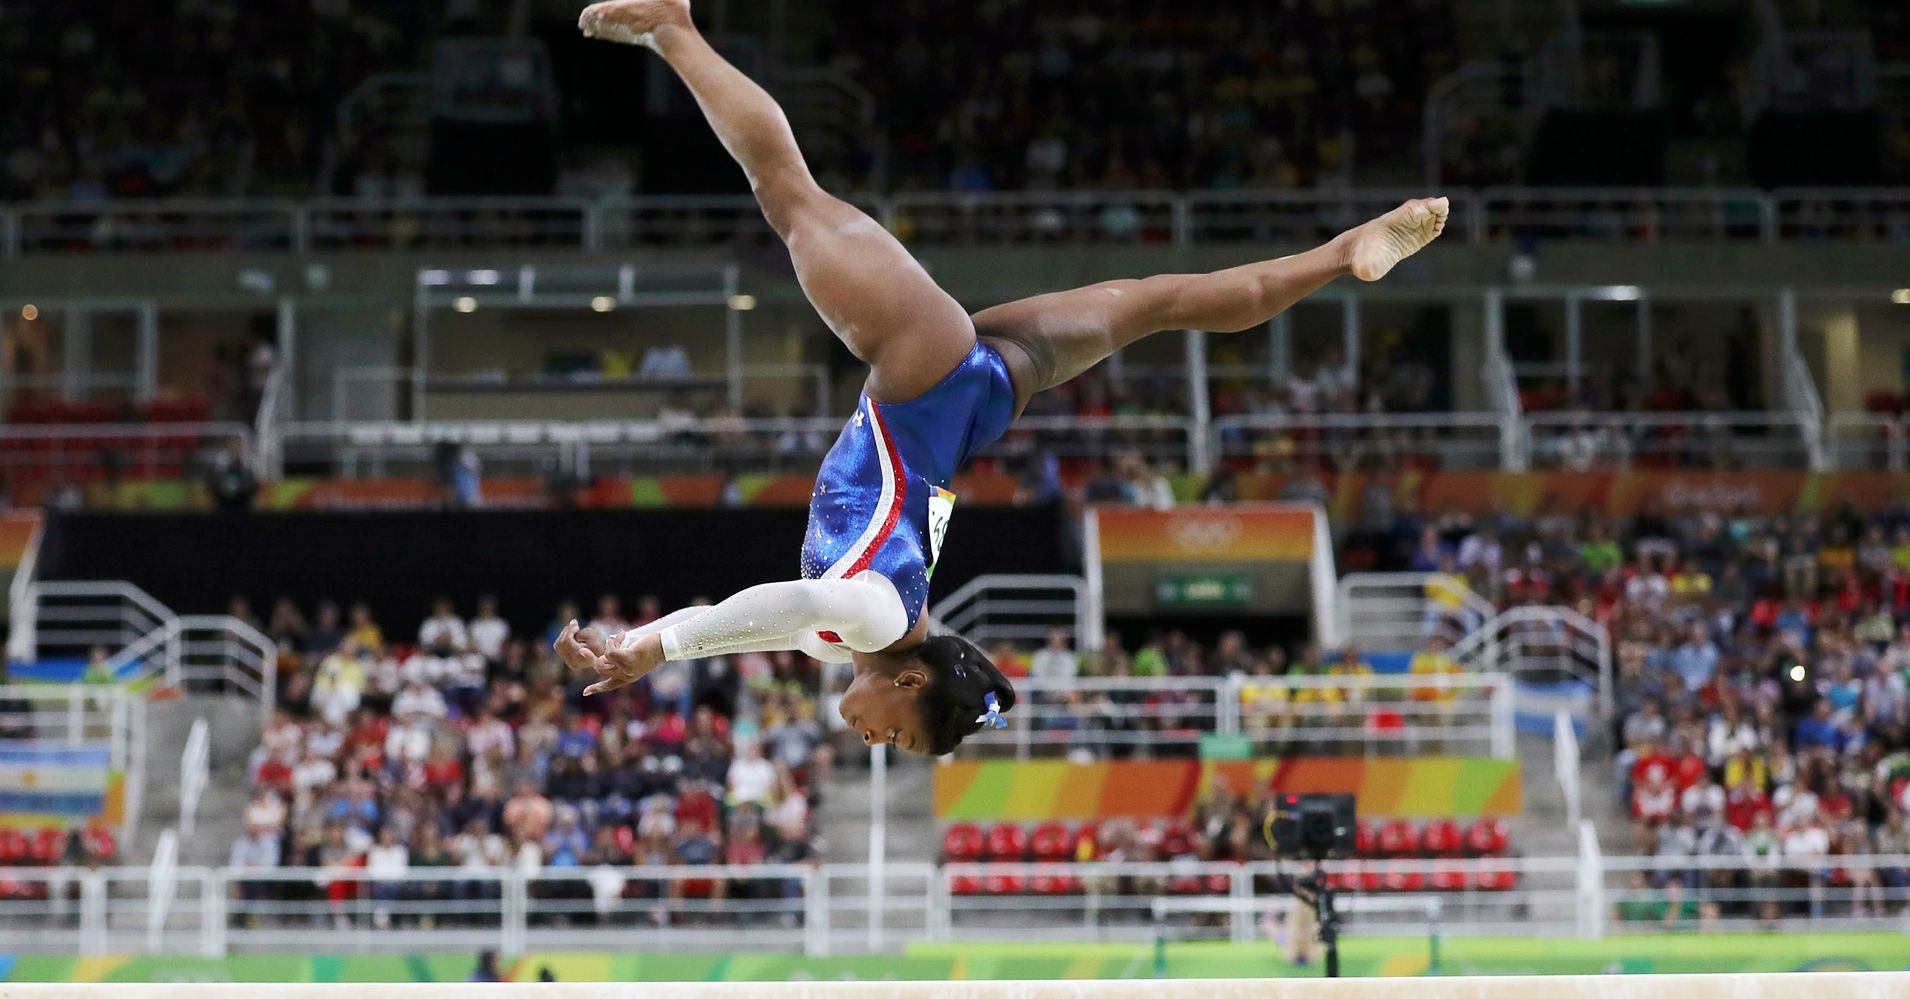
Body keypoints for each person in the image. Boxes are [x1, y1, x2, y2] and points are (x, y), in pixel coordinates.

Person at [557, 0, 1448, 758]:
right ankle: (673, 26)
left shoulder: (853, 640)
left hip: (978, 401)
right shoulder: (869, 619)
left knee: (1161, 300)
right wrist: (654, 646)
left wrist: (651, 645)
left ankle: (1342, 253)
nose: (877, 742)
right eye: (901, 734)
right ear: (910, 678)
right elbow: (787, 599)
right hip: (923, 370)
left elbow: (766, 618)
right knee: (786, 191)